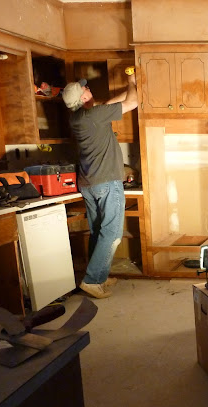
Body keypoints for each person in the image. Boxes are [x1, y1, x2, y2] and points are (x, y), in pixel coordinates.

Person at [62, 73, 138, 299]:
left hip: (89, 184)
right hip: (106, 182)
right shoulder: (94, 116)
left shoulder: (79, 117)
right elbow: (132, 103)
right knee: (112, 233)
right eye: (85, 88)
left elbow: (109, 104)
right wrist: (132, 83)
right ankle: (92, 280)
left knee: (98, 232)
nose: (88, 88)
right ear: (83, 97)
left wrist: (131, 88)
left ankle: (99, 276)